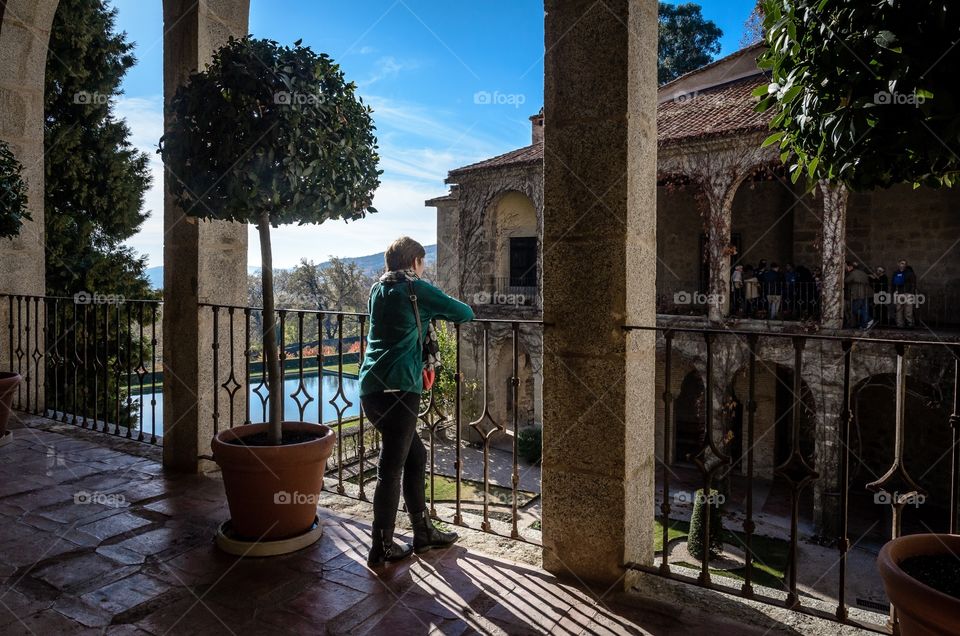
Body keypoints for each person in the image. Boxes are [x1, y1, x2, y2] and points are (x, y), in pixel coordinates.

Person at [359, 236, 475, 567]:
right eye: (422, 263)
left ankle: (423, 533)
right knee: (390, 468)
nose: (423, 268)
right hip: (399, 388)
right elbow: (463, 312)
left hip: (371, 386)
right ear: (415, 263)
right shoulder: (415, 289)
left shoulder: (377, 289)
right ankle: (380, 546)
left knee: (416, 455)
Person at [844, 261, 873, 329]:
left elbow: (845, 281)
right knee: (864, 308)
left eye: (846, 267)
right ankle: (864, 324)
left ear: (850, 267)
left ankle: (869, 319)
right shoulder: (863, 273)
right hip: (866, 294)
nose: (846, 268)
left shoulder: (852, 273)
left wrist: (846, 274)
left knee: (854, 309)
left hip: (858, 294)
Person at [891, 259, 917, 328]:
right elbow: (893, 284)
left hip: (908, 293)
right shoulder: (895, 273)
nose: (903, 265)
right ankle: (900, 324)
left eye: (905, 264)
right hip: (899, 293)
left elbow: (913, 284)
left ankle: (910, 324)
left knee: (908, 310)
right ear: (898, 264)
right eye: (902, 263)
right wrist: (893, 292)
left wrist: (912, 293)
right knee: (899, 310)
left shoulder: (910, 273)